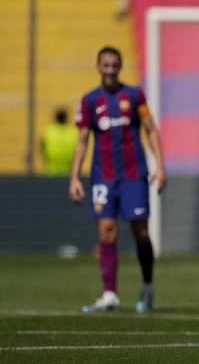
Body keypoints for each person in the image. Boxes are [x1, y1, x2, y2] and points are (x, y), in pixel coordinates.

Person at [69, 46, 166, 313]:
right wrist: (75, 177)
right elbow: (82, 140)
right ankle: (109, 294)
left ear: (120, 67)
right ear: (98, 66)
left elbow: (150, 129)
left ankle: (147, 286)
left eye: (114, 66)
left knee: (141, 233)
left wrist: (161, 166)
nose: (110, 70)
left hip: (134, 175)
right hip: (103, 177)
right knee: (106, 232)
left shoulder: (134, 96)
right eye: (105, 65)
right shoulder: (89, 101)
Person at [42, 107, 78, 176]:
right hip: (68, 171)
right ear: (66, 118)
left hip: (51, 170)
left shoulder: (49, 131)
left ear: (56, 118)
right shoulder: (73, 132)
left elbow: (42, 147)